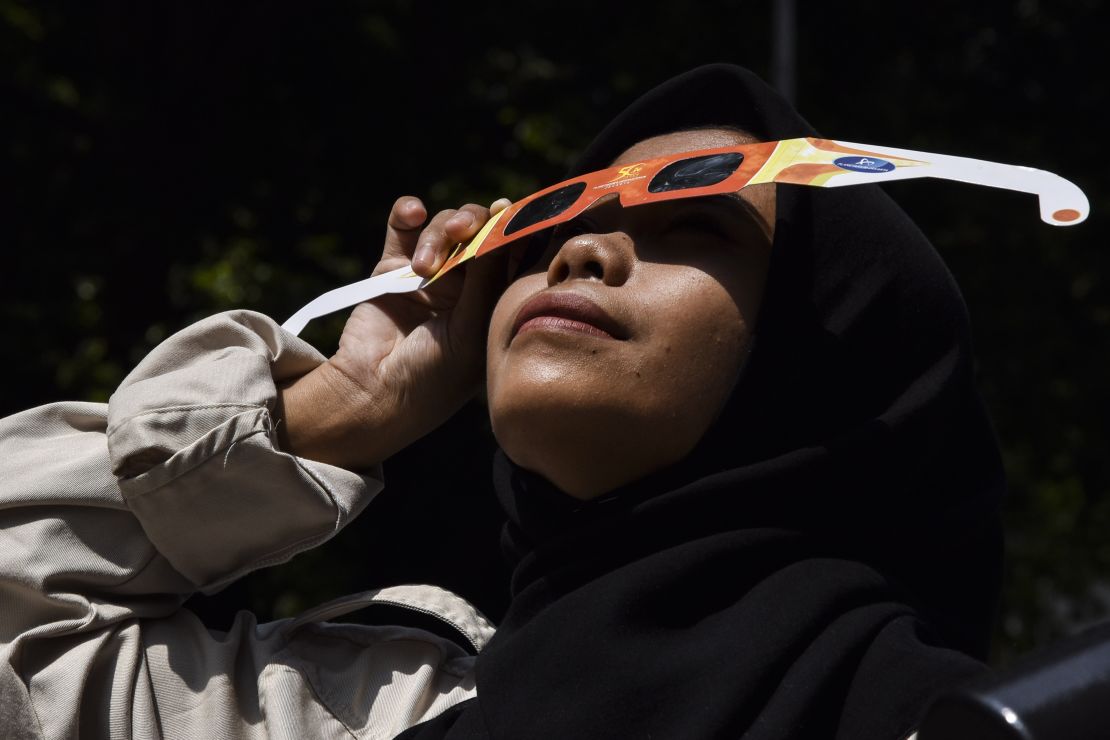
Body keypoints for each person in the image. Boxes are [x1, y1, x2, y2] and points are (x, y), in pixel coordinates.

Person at [0, 64, 1003, 739]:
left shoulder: (967, 721)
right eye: (557, 216)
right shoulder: (348, 715)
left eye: (695, 227)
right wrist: (339, 410)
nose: (579, 249)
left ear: (819, 361)